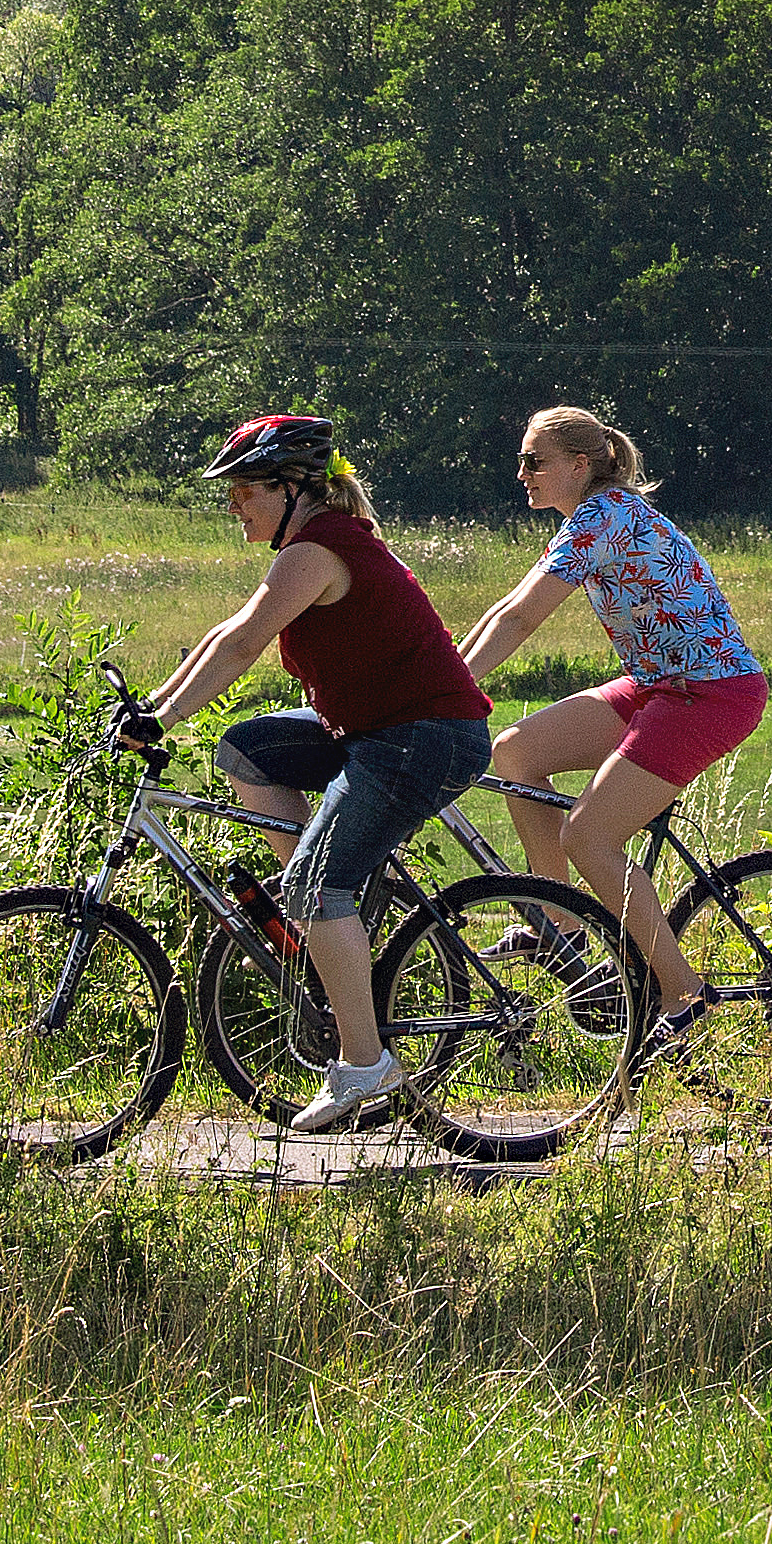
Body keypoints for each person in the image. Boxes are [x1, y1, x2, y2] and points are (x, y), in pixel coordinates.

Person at [122, 410, 499, 1130]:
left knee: (314, 884)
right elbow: (223, 635)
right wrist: (151, 706)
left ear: (293, 486)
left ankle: (366, 1064)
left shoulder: (320, 548)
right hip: (376, 732)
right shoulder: (309, 545)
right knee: (246, 750)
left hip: (421, 739)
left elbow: (240, 649)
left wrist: (160, 723)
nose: (233, 505)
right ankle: (323, 918)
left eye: (244, 492)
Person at [453, 405, 767, 1048]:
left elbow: (520, 622)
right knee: (516, 753)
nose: (522, 474)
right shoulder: (589, 517)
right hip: (659, 685)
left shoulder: (606, 515)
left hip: (709, 694)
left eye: (533, 461)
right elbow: (504, 609)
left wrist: (445, 695)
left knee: (588, 835)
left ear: (580, 465)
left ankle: (684, 994)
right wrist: (445, 678)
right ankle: (556, 926)